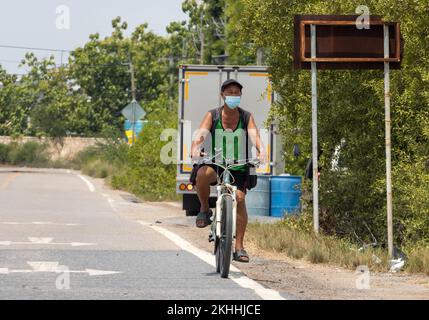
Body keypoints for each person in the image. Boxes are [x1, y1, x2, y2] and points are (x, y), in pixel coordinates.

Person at [190, 79, 266, 263]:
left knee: (239, 199)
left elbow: (254, 135)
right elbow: (201, 134)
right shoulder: (213, 115)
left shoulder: (246, 116)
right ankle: (205, 210)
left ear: (241, 96)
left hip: (239, 165)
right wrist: (195, 147)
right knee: (202, 175)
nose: (233, 96)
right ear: (222, 95)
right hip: (215, 162)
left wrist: (262, 151)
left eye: (236, 93)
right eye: (229, 92)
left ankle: (239, 247)